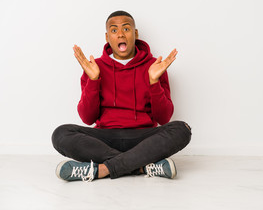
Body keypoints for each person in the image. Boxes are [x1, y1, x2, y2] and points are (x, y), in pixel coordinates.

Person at [51, 10, 192, 182]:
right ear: (107, 37)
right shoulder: (95, 67)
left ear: (135, 33)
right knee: (60, 134)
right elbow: (87, 118)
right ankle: (142, 166)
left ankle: (101, 170)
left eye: (126, 29)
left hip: (142, 138)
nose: (120, 34)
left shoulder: (154, 66)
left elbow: (164, 118)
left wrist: (153, 81)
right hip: (104, 139)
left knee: (182, 129)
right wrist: (93, 80)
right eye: (114, 30)